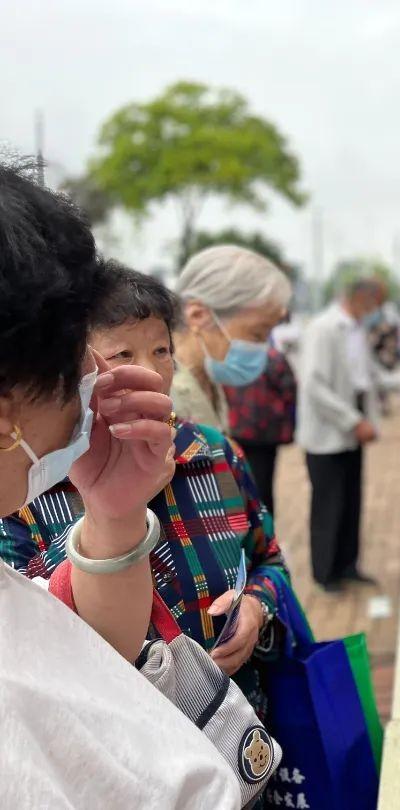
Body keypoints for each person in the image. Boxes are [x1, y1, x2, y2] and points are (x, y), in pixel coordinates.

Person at [0, 160, 240, 807]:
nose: (98, 373)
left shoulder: (208, 451)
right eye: (80, 349)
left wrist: (112, 515)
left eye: (158, 350)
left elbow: (87, 652)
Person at [1, 261, 290, 719]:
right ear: (80, 369)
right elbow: (26, 616)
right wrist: (107, 515)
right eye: (122, 357)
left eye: (161, 350)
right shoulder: (32, 479)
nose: (152, 373)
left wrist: (255, 607)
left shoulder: (216, 453)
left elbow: (270, 559)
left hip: (238, 727)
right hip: (127, 734)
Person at [298, 279, 381, 591]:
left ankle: (348, 565)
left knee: (350, 501)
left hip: (351, 430)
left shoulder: (357, 330)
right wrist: (352, 420)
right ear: (359, 298)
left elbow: (369, 376)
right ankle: (325, 572)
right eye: (374, 303)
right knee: (328, 505)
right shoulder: (323, 328)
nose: (376, 311)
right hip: (328, 434)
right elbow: (314, 385)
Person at [172, 245, 292, 433]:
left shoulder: (208, 380)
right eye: (257, 334)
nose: (263, 347)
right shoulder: (161, 394)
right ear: (198, 315)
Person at [224, 344, 297, 515]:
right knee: (263, 486)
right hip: (266, 433)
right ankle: (265, 532)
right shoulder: (272, 356)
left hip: (236, 430)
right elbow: (290, 390)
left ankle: (245, 527)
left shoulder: (228, 357)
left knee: (238, 483)